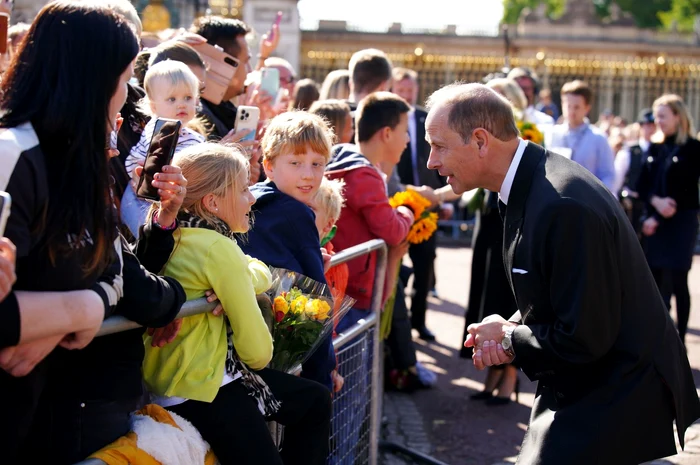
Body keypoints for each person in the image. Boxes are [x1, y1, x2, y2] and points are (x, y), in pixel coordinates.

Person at [426, 82, 700, 465]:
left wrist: (509, 339)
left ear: (480, 140)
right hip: (588, 379)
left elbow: (586, 335)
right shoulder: (531, 183)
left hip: (616, 390)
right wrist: (513, 324)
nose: (431, 162)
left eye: (439, 146)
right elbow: (561, 292)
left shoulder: (562, 204)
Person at [0, 2, 188, 462]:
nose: (129, 97)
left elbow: (113, 269)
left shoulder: (79, 167)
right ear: (90, 81)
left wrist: (84, 307)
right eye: (125, 81)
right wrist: (77, 307)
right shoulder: (12, 153)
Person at [141, 143, 331, 465]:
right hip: (205, 389)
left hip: (175, 381)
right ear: (213, 202)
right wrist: (240, 286)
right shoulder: (218, 248)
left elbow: (256, 269)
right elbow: (258, 354)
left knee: (313, 400)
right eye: (244, 189)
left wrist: (240, 282)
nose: (253, 198)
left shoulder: (180, 236)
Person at [239, 111, 337, 391]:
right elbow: (318, 300)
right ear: (268, 166)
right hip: (270, 352)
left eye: (317, 164)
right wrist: (322, 375)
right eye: (295, 162)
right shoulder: (295, 212)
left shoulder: (251, 199)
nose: (308, 175)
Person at [326, 92, 414, 330]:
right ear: (386, 133)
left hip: (343, 285)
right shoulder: (363, 173)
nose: (407, 139)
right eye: (405, 131)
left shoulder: (347, 159)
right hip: (352, 291)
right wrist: (408, 211)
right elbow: (393, 231)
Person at [637, 94, 700, 346]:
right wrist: (656, 205)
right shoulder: (654, 147)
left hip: (680, 223)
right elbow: (641, 185)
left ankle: (681, 338)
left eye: (663, 115)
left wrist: (669, 206)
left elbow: (690, 189)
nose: (658, 121)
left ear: (678, 116)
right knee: (654, 279)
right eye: (656, 115)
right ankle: (659, 338)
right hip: (655, 222)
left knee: (677, 280)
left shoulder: (693, 148)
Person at [121, 60, 206, 237]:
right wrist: (138, 176)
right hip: (145, 199)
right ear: (154, 107)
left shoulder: (195, 137)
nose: (181, 104)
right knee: (147, 233)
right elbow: (134, 160)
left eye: (188, 98)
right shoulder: (158, 133)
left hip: (178, 197)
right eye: (172, 99)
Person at [391, 66, 446, 341]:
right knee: (398, 268)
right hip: (397, 204)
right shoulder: (388, 122)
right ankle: (397, 326)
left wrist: (442, 195)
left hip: (428, 203)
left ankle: (419, 322)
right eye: (401, 90)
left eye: (411, 90)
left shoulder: (428, 119)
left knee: (425, 267)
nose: (407, 95)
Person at [546, 80, 616, 191]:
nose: (571, 111)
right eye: (568, 106)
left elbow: (608, 176)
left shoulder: (598, 138)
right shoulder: (552, 134)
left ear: (587, 108)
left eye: (577, 107)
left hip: (588, 202)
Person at [614, 108, 656, 233]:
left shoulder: (660, 150)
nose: (650, 129)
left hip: (652, 205)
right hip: (631, 204)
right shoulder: (630, 151)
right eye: (647, 125)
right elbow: (618, 178)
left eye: (653, 126)